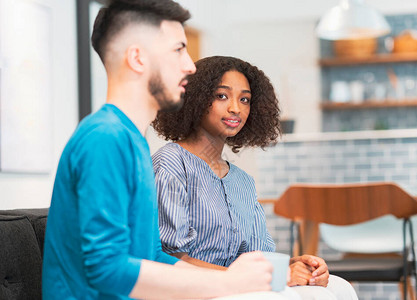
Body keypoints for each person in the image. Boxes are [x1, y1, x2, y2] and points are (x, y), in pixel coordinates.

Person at [42, 2, 278, 299]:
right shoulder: (105, 138)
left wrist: (239, 280)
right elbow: (106, 268)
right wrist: (228, 284)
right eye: (178, 49)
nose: (190, 66)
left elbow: (154, 255)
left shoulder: (134, 142)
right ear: (138, 58)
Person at [152, 56, 359, 299]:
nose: (235, 108)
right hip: (194, 289)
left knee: (337, 287)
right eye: (221, 96)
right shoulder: (170, 165)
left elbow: (259, 255)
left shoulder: (243, 182)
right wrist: (251, 279)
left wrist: (298, 266)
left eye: (245, 100)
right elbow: (169, 258)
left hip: (240, 286)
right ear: (195, 99)